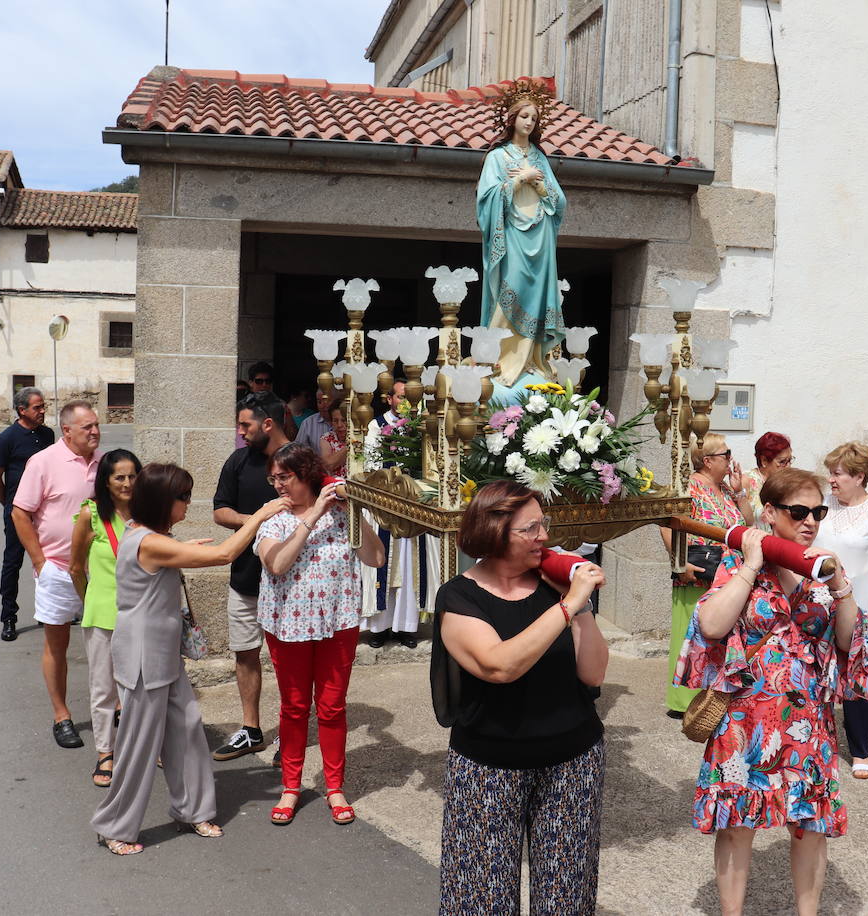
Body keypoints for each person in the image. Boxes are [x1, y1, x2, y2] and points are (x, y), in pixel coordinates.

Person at [676, 467, 868, 916]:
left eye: (818, 511)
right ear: (769, 512)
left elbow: (848, 641)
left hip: (806, 720)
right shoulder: (738, 563)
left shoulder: (820, 567)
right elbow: (711, 624)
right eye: (798, 511)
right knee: (735, 824)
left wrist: (840, 584)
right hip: (745, 718)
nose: (810, 521)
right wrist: (750, 563)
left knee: (811, 823)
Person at [90, 463, 289, 855]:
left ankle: (192, 809)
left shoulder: (153, 536)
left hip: (163, 654)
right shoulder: (148, 541)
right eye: (183, 497)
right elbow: (225, 554)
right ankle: (115, 825)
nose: (187, 504)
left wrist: (187, 550)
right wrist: (263, 514)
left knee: (187, 734)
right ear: (166, 501)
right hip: (144, 656)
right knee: (138, 746)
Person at [433, 480, 609, 914]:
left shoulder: (554, 586)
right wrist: (568, 606)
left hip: (574, 762)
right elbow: (499, 666)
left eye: (543, 525)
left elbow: (593, 672)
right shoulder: (458, 597)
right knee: (481, 898)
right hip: (488, 769)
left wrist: (581, 607)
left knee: (565, 898)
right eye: (530, 529)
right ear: (495, 533)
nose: (544, 537)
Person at [257, 444, 385, 826]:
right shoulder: (273, 517)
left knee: (331, 708)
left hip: (337, 622)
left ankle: (335, 787)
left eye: (285, 477)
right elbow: (278, 563)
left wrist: (355, 512)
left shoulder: (341, 514)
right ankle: (291, 787)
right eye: (274, 477)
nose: (278, 485)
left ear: (307, 475)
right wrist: (311, 516)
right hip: (287, 627)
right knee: (294, 708)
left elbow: (376, 559)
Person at [11, 399, 103, 749]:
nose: (95, 431)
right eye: (87, 427)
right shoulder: (43, 462)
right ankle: (62, 715)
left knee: (107, 641)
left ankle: (116, 707)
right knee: (57, 643)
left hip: (98, 572)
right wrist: (38, 561)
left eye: (96, 425)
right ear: (67, 430)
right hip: (58, 570)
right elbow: (21, 513)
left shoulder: (103, 462)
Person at [210, 391, 291, 762]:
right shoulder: (238, 461)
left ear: (268, 424)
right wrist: (256, 521)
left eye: (246, 424)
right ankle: (251, 730)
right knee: (246, 654)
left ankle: (290, 736)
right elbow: (220, 511)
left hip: (293, 584)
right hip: (245, 578)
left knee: (291, 662)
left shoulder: (300, 461)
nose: (240, 431)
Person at [476, 79, 567, 385]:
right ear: (512, 119)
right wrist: (517, 181)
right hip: (512, 233)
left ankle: (533, 361)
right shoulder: (497, 157)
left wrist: (537, 182)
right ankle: (502, 362)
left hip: (539, 235)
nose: (529, 122)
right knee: (509, 291)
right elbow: (485, 199)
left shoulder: (541, 158)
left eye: (534, 119)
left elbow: (559, 201)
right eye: (524, 116)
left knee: (537, 298)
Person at [659, 433, 755, 718]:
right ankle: (684, 701)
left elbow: (747, 522)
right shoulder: (689, 487)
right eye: (726, 454)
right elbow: (666, 524)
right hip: (699, 569)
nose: (730, 459)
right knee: (691, 632)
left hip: (729, 572)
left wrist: (739, 493)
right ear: (707, 460)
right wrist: (680, 564)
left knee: (722, 635)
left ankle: (717, 695)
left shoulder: (726, 488)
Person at [813, 442, 868, 779]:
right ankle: (817, 740)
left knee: (857, 679)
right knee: (816, 674)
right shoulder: (821, 506)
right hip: (817, 604)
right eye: (831, 472)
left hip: (858, 608)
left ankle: (860, 751)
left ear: (860, 476)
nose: (831, 479)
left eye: (838, 473)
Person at [69, 449, 141, 788]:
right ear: (106, 481)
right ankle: (105, 751)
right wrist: (90, 600)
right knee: (103, 688)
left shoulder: (147, 513)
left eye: (132, 476)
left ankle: (141, 745)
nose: (127, 483)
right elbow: (75, 567)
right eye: (119, 477)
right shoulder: (91, 514)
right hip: (101, 613)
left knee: (139, 687)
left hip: (140, 614)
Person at [0, 386, 54, 641]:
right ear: (22, 410)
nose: (42, 411)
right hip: (18, 513)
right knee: (13, 563)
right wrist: (12, 506)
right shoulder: (6, 439)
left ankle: (48, 612)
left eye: (43, 406)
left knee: (49, 560)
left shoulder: (47, 435)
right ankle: (9, 618)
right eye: (37, 407)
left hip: (44, 511)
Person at [362, 380, 423, 649]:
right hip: (385, 504)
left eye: (410, 397)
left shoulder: (421, 423)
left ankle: (406, 627)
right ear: (389, 399)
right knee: (383, 563)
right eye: (401, 397)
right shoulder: (377, 424)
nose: (406, 403)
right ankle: (379, 627)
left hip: (413, 506)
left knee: (410, 567)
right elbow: (371, 462)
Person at [743, 430, 793, 511]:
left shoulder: (787, 482)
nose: (788, 467)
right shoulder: (747, 481)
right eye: (782, 462)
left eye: (790, 460)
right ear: (764, 461)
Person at [296, 388, 335, 454]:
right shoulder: (308, 423)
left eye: (327, 401)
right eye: (319, 402)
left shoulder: (345, 421)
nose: (323, 405)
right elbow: (298, 452)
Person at [318, 401, 348, 475]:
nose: (339, 425)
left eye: (344, 420)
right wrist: (348, 446)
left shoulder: (361, 438)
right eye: (335, 421)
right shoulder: (327, 438)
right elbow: (328, 465)